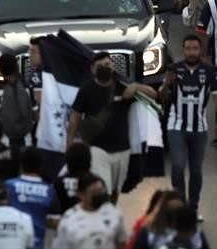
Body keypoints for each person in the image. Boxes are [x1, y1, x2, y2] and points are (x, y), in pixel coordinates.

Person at [67, 52, 156, 200]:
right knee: (102, 191)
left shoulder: (124, 85)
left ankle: (108, 216)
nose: (104, 67)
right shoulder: (86, 89)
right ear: (92, 70)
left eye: (107, 64)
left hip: (122, 149)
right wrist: (69, 143)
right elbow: (75, 117)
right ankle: (103, 218)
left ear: (113, 66)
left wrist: (136, 86)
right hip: (97, 149)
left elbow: (153, 95)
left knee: (115, 192)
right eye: (99, 66)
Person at [161, 34, 217, 211]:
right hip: (176, 126)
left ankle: (192, 207)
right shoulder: (174, 69)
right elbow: (162, 98)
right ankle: (180, 205)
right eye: (188, 48)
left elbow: (215, 97)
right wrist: (164, 86)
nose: (192, 52)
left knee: (196, 171)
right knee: (177, 166)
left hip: (199, 128)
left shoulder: (209, 71)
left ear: (200, 50)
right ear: (183, 50)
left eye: (195, 48)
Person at [52, 173, 126, 249]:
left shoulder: (114, 213)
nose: (99, 195)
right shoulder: (68, 220)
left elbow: (121, 242)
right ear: (81, 195)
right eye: (94, 192)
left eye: (101, 191)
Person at [5, 147, 59, 249]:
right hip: (37, 244)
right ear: (42, 165)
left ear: (21, 164)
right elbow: (55, 222)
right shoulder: (50, 191)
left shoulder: (8, 185)